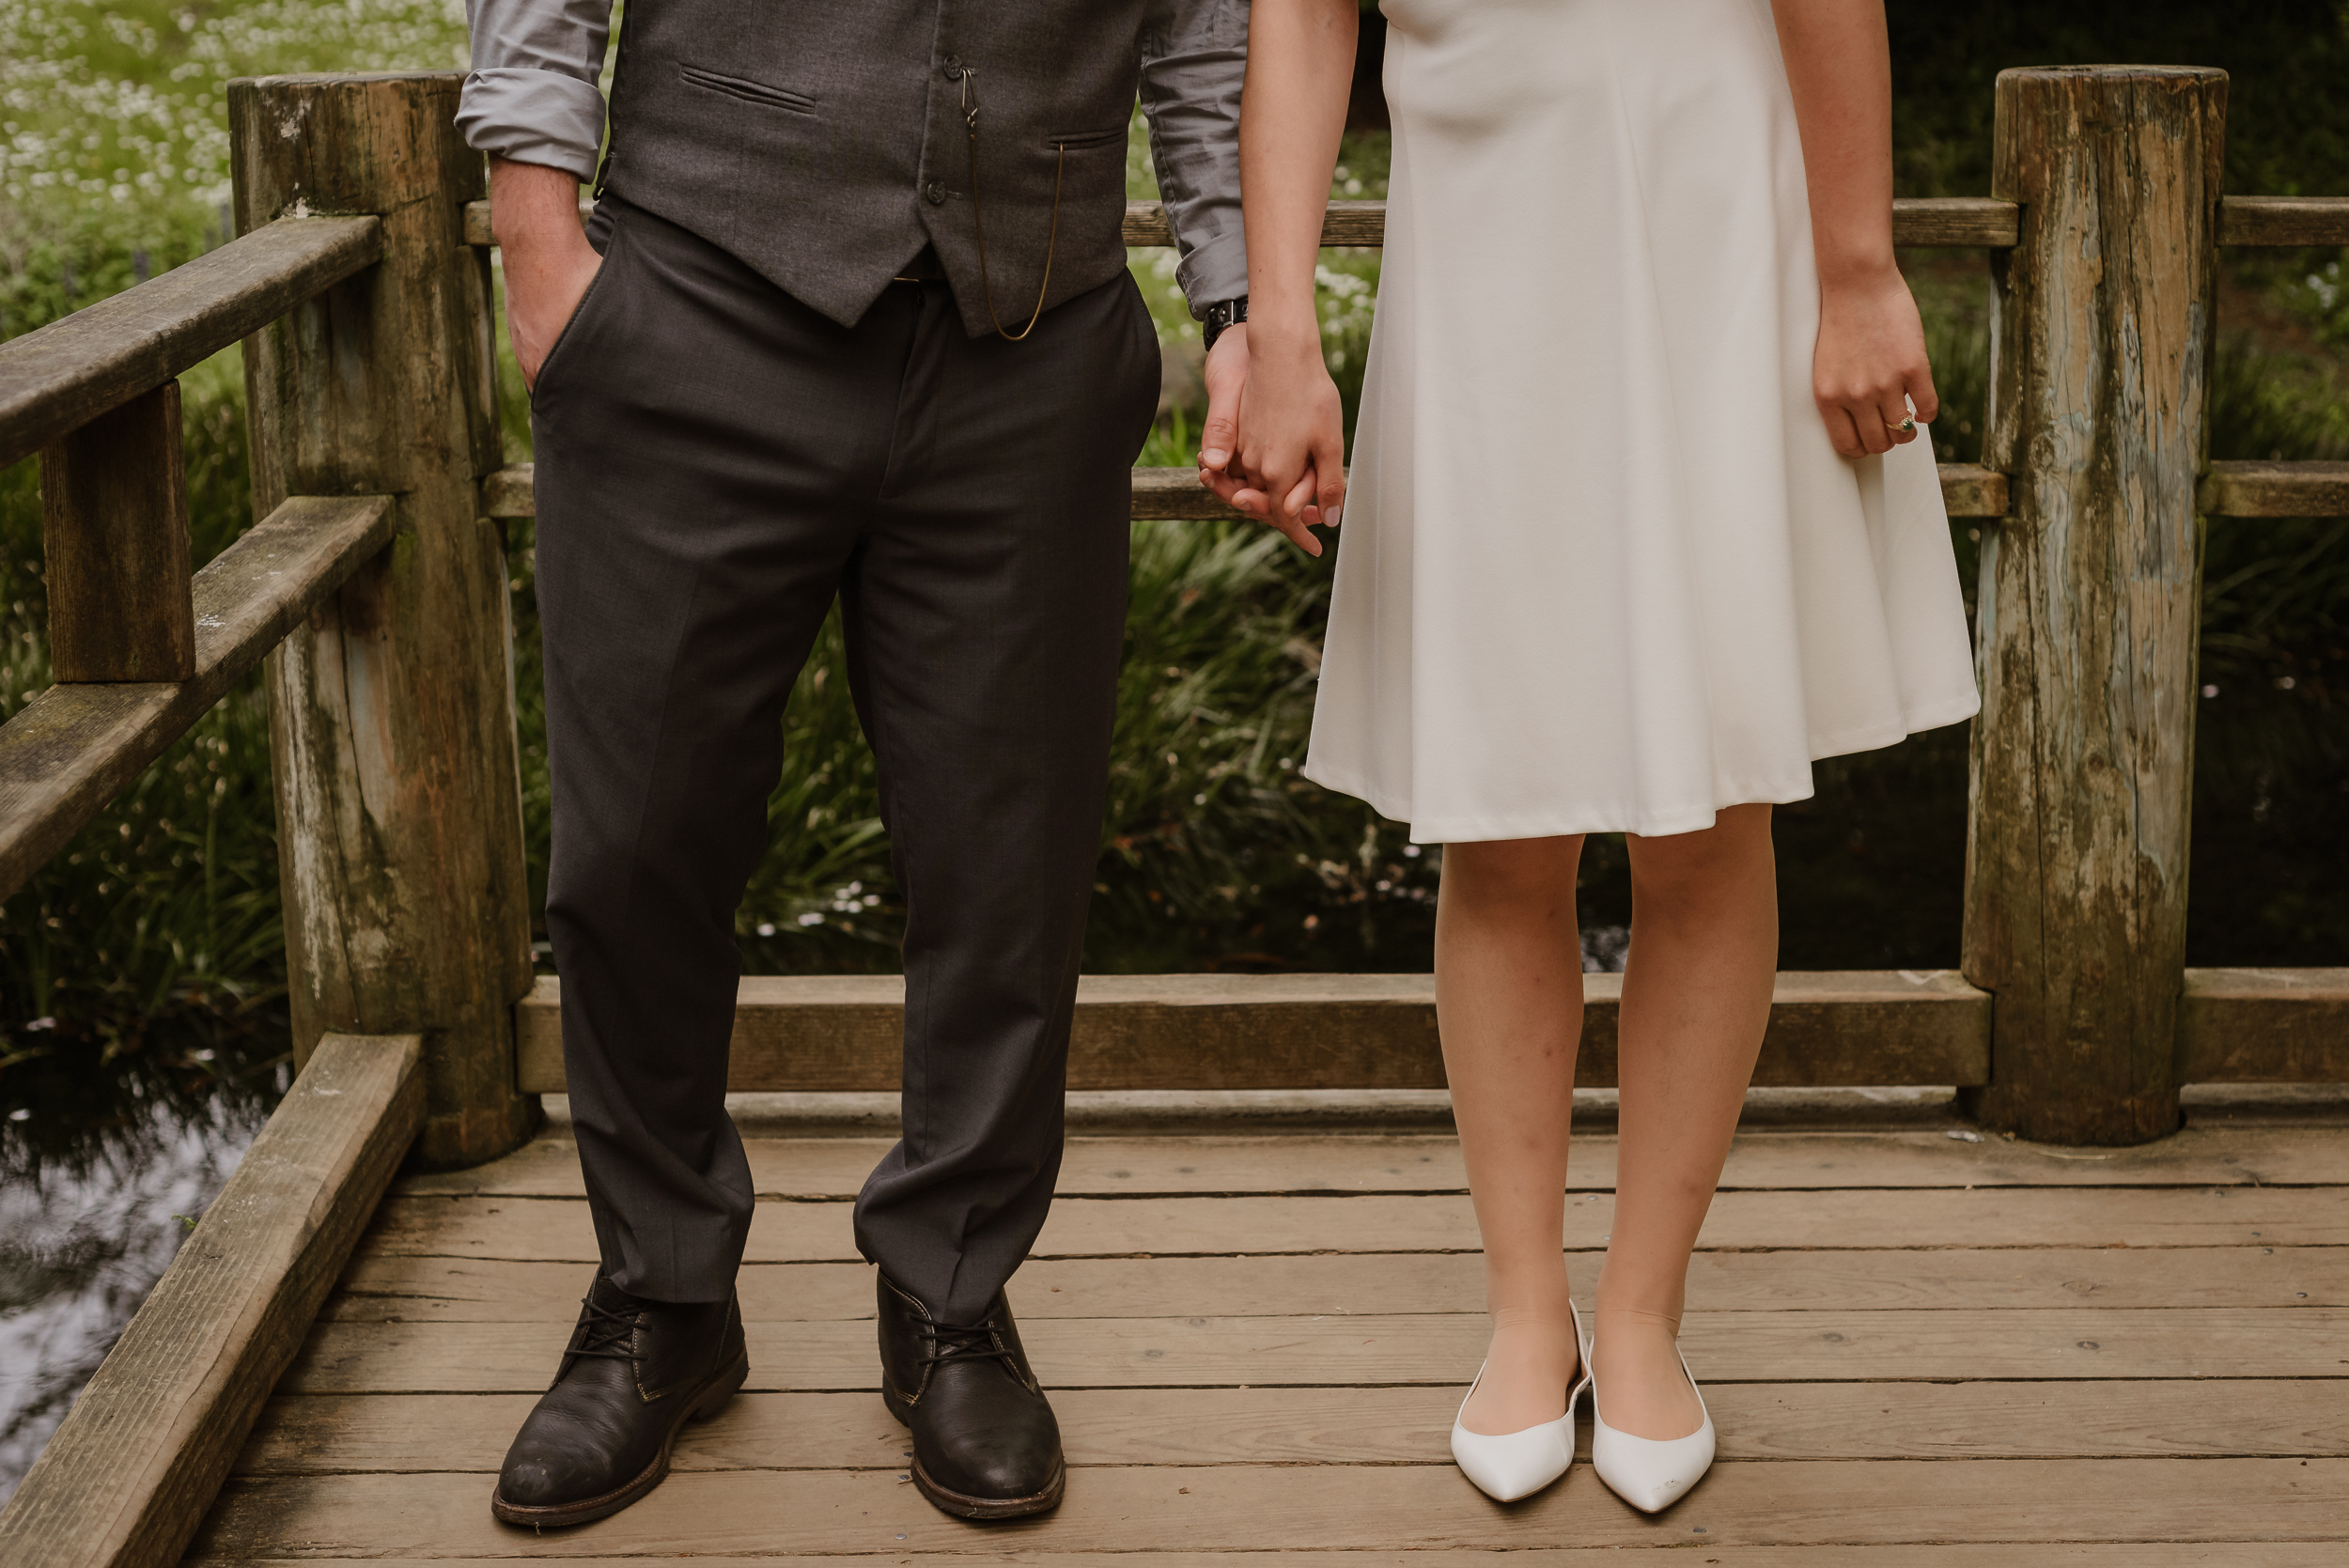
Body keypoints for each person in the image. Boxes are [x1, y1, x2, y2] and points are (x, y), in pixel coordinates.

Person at [455, 0, 1256, 1527]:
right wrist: (539, 247)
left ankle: (952, 1297)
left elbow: (1211, 31)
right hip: (692, 298)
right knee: (631, 849)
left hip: (1032, 335)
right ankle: (662, 1295)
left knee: (1007, 866)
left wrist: (1234, 310)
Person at [1225, 0, 1979, 1511]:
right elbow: (1304, 16)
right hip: (1486, 237)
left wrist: (1854, 263)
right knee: (1502, 812)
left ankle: (1641, 1316)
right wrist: (1285, 322)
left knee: (1710, 808)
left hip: (1714, 207)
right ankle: (1523, 1318)